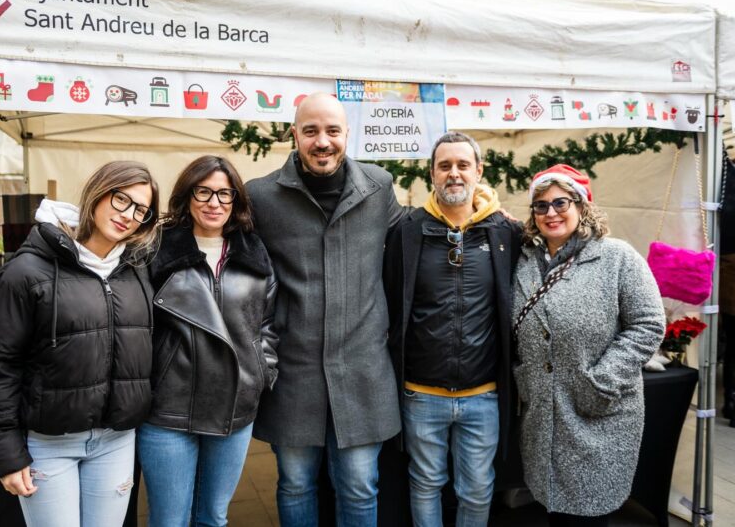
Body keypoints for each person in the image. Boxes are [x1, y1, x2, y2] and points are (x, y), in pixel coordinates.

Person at [246, 92, 407, 526]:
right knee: (296, 484)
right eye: (311, 131)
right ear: (294, 134)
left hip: (362, 370)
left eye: (332, 130)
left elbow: (410, 240)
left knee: (359, 485)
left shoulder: (378, 185)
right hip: (293, 371)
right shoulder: (261, 196)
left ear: (346, 134)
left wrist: (486, 219)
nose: (323, 141)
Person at [0, 161, 160, 526]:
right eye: (121, 199)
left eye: (141, 209)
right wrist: (5, 453)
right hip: (48, 445)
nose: (129, 215)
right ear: (98, 191)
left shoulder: (135, 272)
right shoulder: (26, 272)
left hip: (116, 441)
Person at [511, 164, 665, 526]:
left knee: (588, 514)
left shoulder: (617, 257)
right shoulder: (524, 262)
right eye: (541, 205)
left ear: (582, 206)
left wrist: (602, 381)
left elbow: (648, 324)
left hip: (598, 416)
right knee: (554, 511)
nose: (551, 213)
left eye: (561, 203)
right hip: (544, 416)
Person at [383, 131, 521, 527]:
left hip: (484, 396)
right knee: (425, 483)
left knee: (477, 490)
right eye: (445, 166)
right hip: (422, 395)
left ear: (479, 171)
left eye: (463, 165)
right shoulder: (406, 232)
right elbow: (391, 304)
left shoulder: (505, 233)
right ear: (432, 173)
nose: (454, 174)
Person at [138, 155, 279, 527]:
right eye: (204, 192)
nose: (214, 203)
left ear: (235, 200)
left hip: (236, 404)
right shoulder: (156, 251)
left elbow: (267, 323)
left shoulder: (253, 252)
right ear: (187, 196)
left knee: (214, 517)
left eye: (224, 193)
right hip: (169, 408)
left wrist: (263, 372)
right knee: (170, 520)